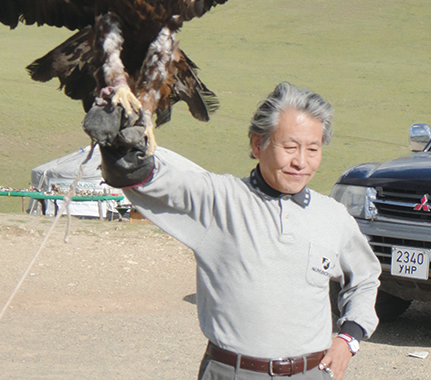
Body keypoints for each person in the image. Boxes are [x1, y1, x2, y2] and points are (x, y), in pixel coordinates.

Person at [83, 82, 381, 380]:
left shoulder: (332, 216)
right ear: (257, 144)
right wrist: (119, 151)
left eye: (313, 149)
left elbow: (365, 278)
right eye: (289, 147)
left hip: (313, 373)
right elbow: (151, 180)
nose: (301, 162)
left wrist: (348, 339)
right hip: (234, 373)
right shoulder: (217, 199)